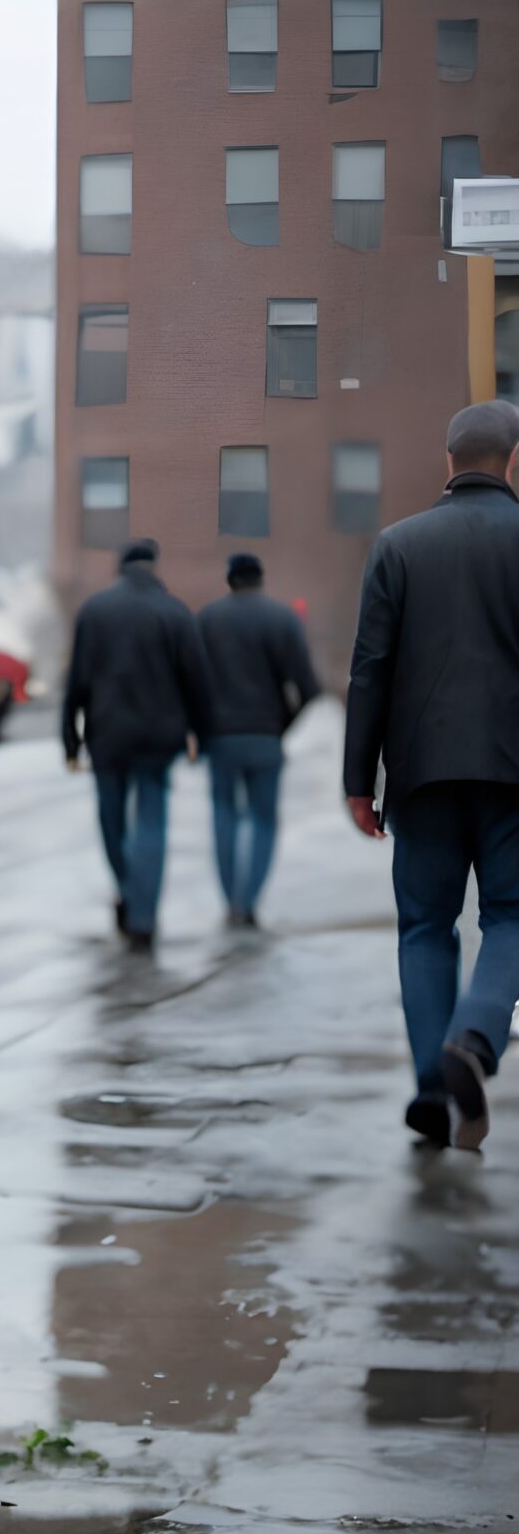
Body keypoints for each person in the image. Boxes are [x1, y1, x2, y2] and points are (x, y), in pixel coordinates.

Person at [343, 398, 519, 1154]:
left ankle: (430, 1092)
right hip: (515, 772)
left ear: (449, 462)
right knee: (512, 916)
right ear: (513, 461)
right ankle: (475, 1042)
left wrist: (359, 779)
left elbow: (369, 671)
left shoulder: (397, 544)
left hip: (419, 774)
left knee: (424, 928)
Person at [61, 539, 212, 953]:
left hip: (107, 736)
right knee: (152, 821)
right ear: (153, 567)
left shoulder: (94, 611)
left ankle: (129, 890)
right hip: (159, 739)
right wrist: (203, 733)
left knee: (111, 820)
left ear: (120, 567)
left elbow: (76, 681)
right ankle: (143, 915)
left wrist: (70, 740)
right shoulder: (176, 612)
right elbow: (197, 682)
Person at [197, 552, 319, 928]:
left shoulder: (207, 619)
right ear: (260, 579)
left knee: (224, 813)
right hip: (266, 737)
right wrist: (282, 724)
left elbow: (192, 681)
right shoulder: (282, 619)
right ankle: (249, 901)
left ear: (229, 579)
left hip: (220, 738)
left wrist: (201, 728)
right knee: (264, 819)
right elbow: (309, 689)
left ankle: (230, 898)